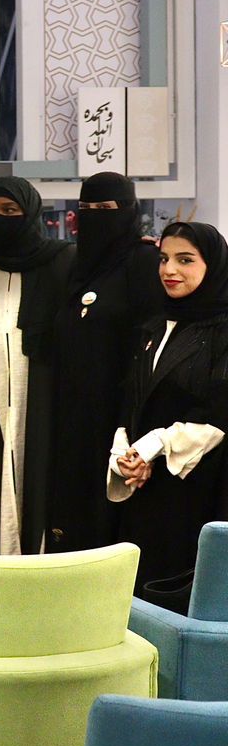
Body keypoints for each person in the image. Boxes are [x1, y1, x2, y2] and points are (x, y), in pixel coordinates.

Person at [47, 172, 165, 552]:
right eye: (86, 208)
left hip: (119, 418)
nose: (94, 215)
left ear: (127, 210)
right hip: (74, 416)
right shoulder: (75, 267)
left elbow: (149, 343)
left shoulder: (143, 262)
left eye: (104, 208)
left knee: (110, 518)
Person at [108, 221, 228, 591]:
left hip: (198, 489)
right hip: (144, 487)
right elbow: (131, 397)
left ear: (213, 265)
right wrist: (127, 454)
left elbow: (218, 412)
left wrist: (153, 446)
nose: (169, 270)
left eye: (185, 260)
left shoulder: (222, 329)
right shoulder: (153, 325)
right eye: (163, 259)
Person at [0, 176, 74, 555]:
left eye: (10, 210)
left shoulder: (62, 263)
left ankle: (45, 576)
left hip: (46, 404)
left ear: (30, 213)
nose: (0, 218)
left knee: (44, 488)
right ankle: (5, 573)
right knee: (1, 495)